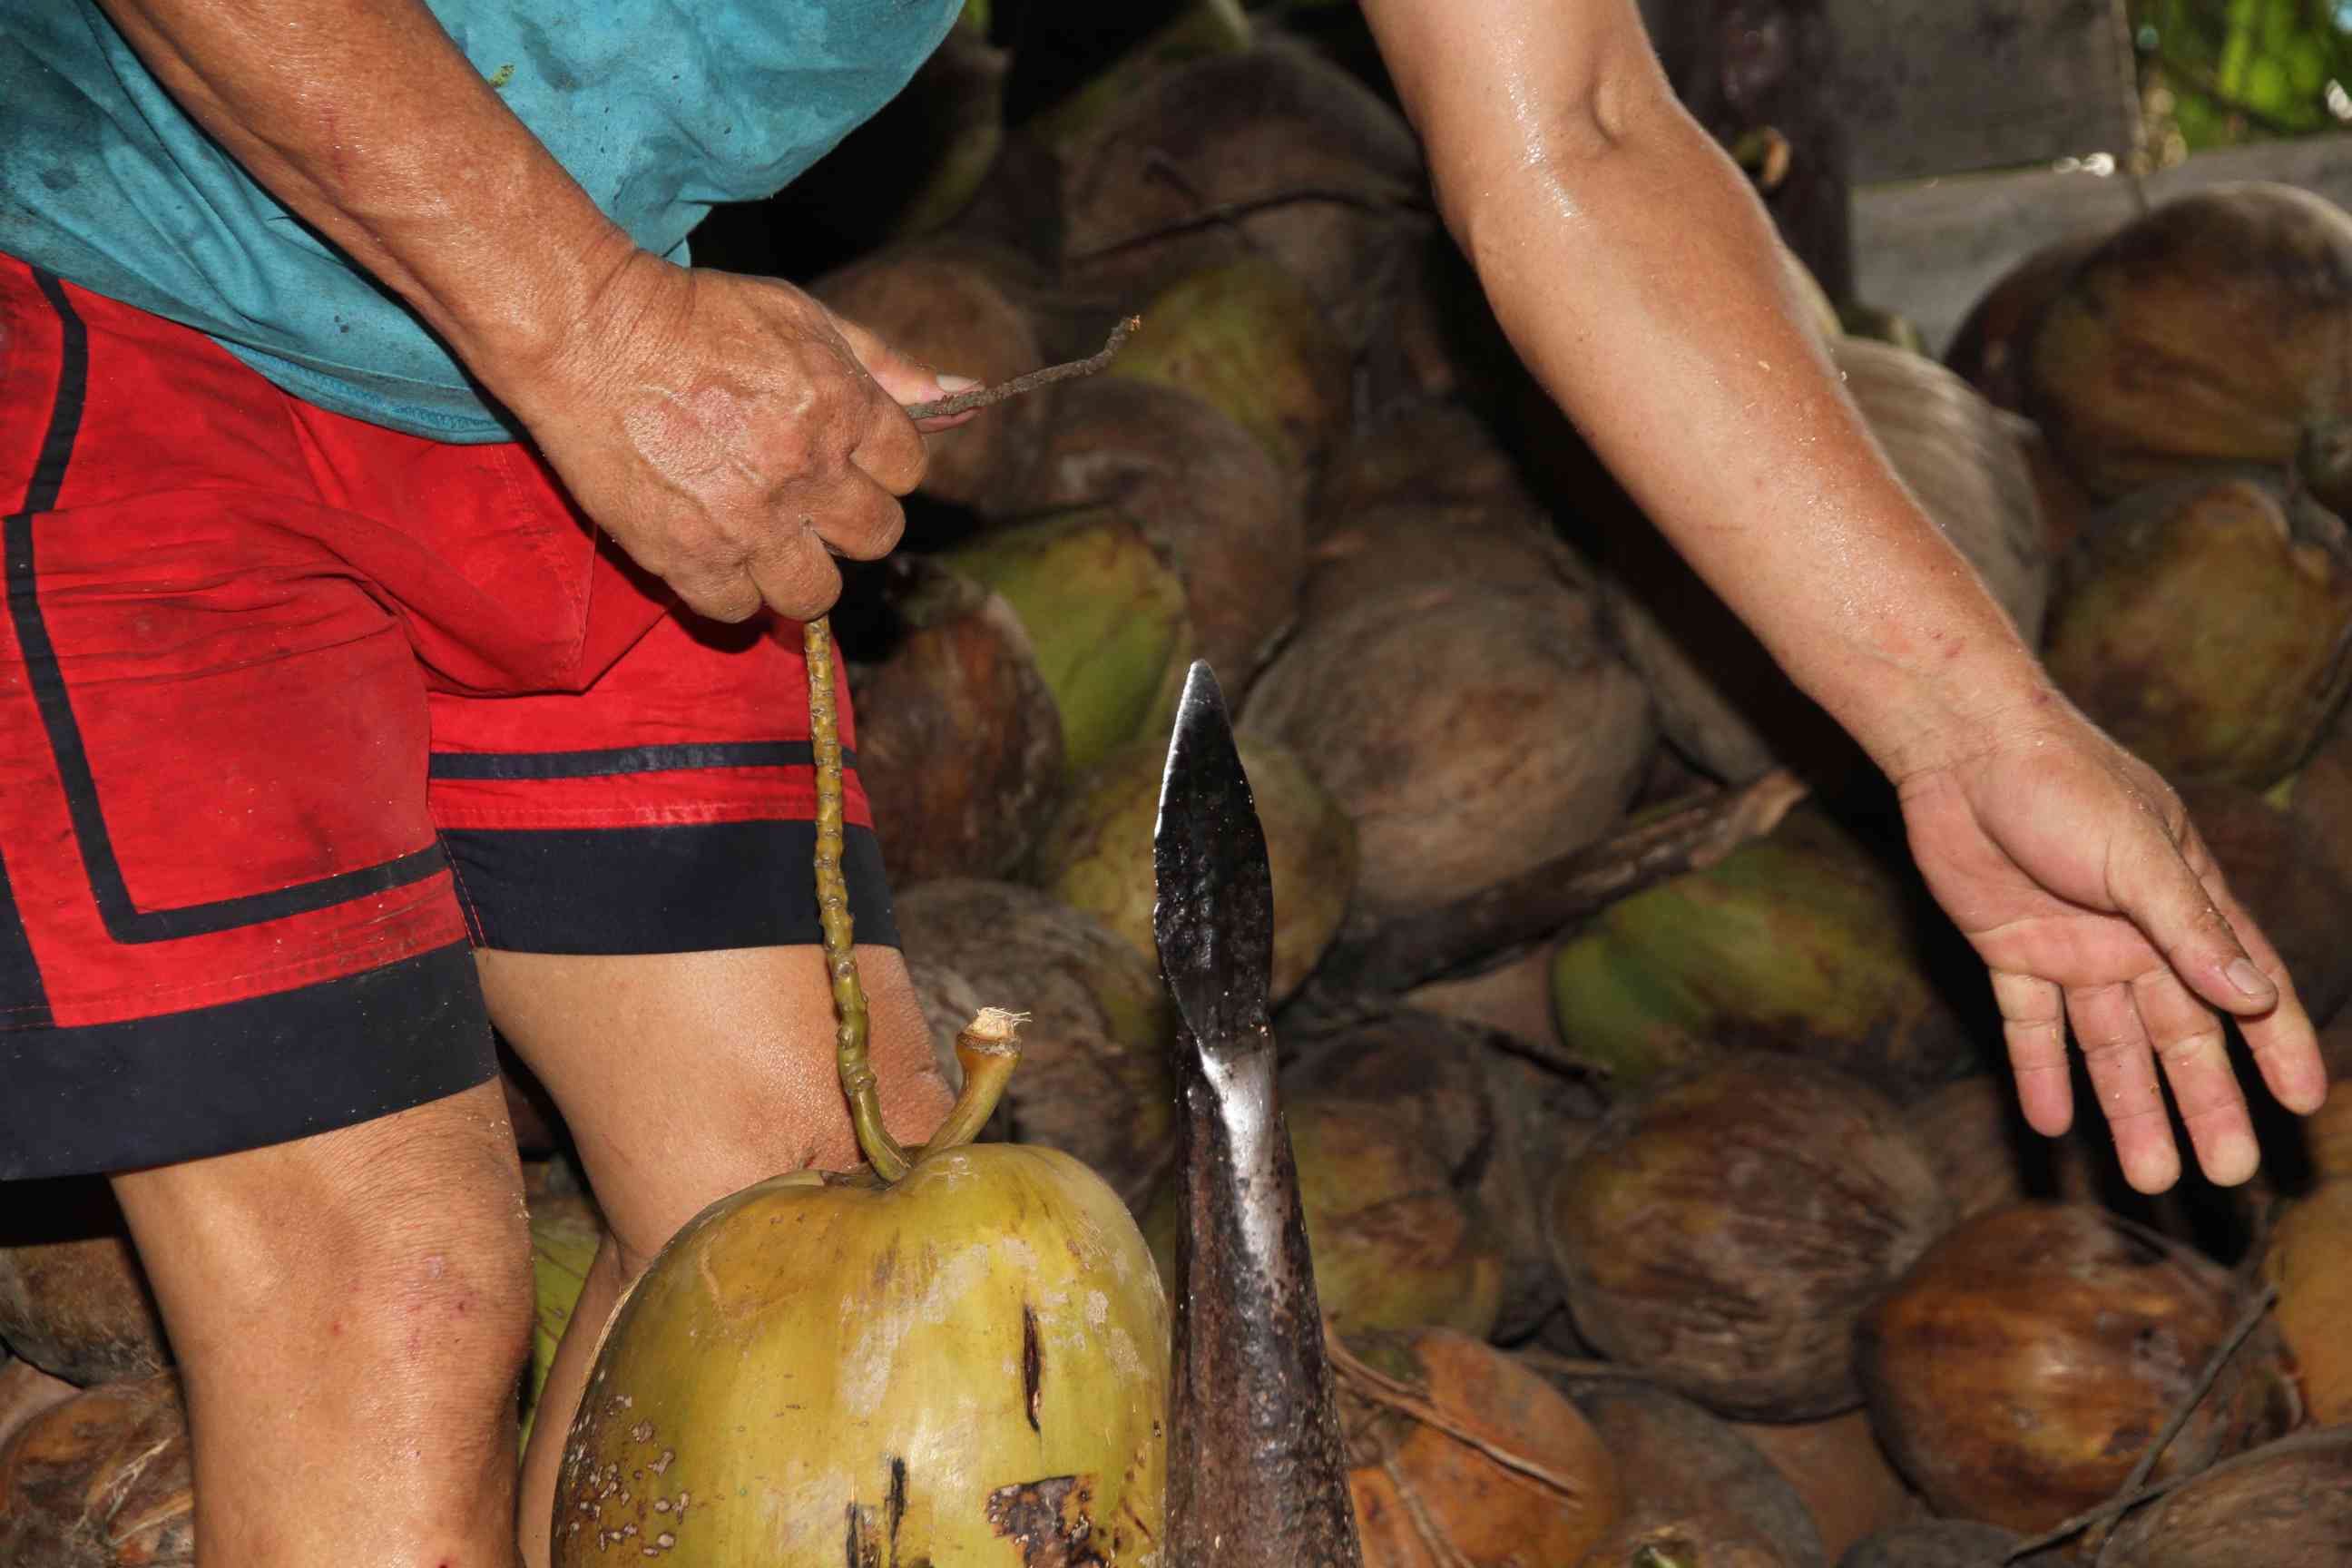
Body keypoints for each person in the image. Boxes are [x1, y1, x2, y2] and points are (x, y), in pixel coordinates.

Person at [0, 0, 2327, 1563]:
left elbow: (1588, 141)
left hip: (572, 356)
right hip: (94, 302)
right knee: (390, 1298)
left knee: (822, 1222)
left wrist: (1968, 719)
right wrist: (583, 327)